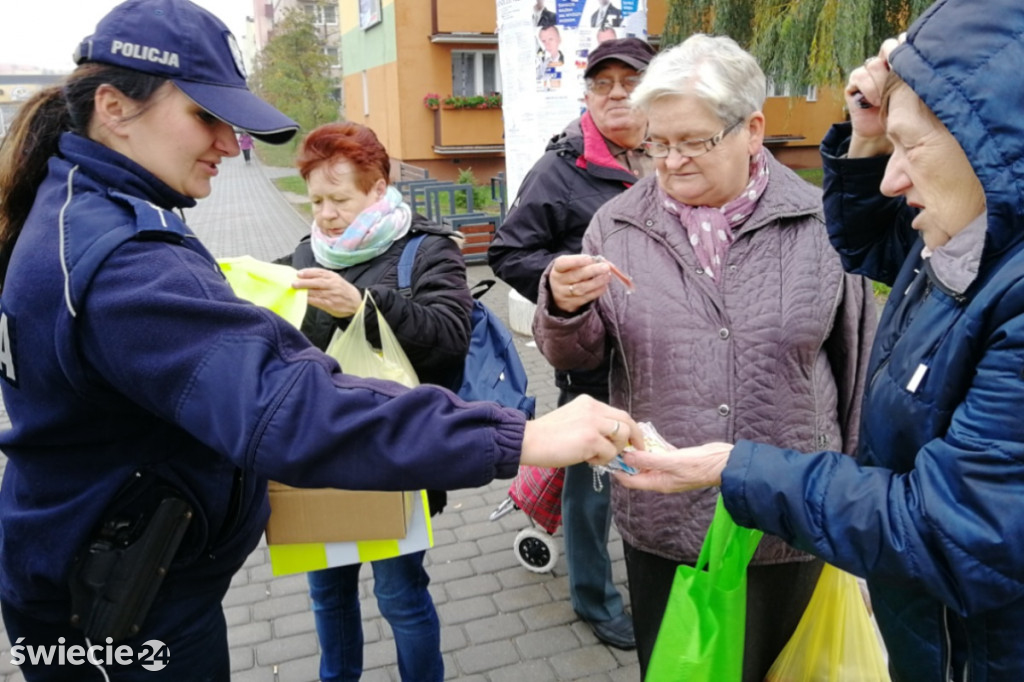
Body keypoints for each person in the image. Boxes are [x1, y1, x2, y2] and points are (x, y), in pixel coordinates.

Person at [0, 1, 641, 679]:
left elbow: (436, 335)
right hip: (117, 610)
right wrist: (523, 438)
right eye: (204, 117)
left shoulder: (88, 215)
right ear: (113, 106)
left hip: (125, 582)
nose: (227, 142)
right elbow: (289, 406)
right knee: (333, 597)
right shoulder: (121, 258)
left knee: (401, 596)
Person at [613, 1, 1024, 679]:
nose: (892, 179)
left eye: (910, 146)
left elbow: (951, 529)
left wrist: (734, 466)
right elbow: (867, 242)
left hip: (962, 638)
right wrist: (869, 136)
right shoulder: (963, 243)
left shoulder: (995, 282)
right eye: (658, 143)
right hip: (913, 614)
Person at [531, 34, 877, 680]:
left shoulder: (821, 225)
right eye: (657, 143)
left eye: (693, 141)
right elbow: (580, 359)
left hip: (790, 518)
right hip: (666, 523)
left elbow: (858, 375)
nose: (670, 161)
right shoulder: (616, 225)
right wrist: (563, 306)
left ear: (752, 129)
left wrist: (853, 508)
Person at [274, 121, 469, 682]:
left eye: (340, 199)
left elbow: (450, 335)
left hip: (393, 452)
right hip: (319, 453)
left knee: (400, 592)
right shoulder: (303, 253)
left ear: (378, 189)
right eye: (316, 200)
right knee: (327, 593)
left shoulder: (427, 251)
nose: (326, 214)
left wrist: (362, 305)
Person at [488, 37, 656, 651]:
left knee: (659, 467)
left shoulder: (673, 156)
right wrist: (563, 281)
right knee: (595, 485)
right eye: (602, 83)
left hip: (667, 353)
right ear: (587, 95)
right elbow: (508, 250)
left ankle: (660, 571)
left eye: (629, 81)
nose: (616, 93)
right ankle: (594, 598)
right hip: (593, 357)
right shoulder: (563, 167)